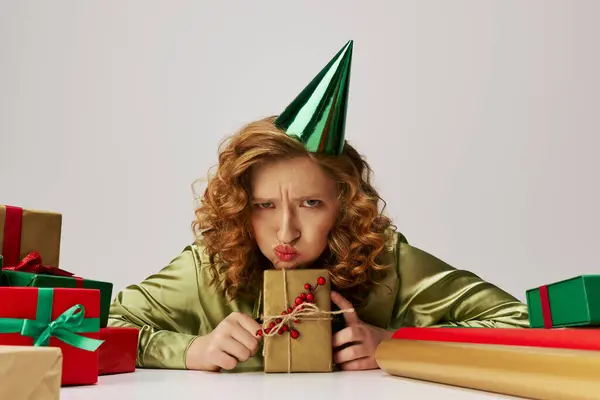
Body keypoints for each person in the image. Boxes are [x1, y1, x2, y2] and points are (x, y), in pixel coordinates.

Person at [107, 40, 529, 373]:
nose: (286, 231)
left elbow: (520, 321)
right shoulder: (210, 268)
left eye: (311, 203)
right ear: (240, 208)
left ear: (343, 206)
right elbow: (96, 325)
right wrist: (190, 349)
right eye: (265, 205)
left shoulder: (386, 262)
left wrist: (396, 345)